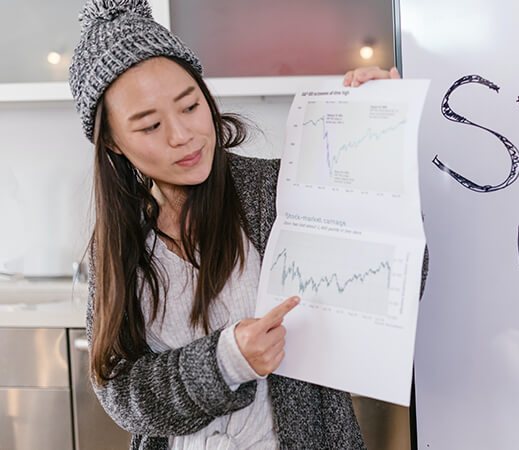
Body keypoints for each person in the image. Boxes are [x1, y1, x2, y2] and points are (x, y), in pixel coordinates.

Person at [68, 0, 406, 448]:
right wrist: (225, 361)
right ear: (111, 141)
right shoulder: (116, 244)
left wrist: (383, 149)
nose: (181, 135)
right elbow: (119, 391)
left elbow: (398, 284)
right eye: (149, 126)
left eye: (189, 107)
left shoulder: (277, 190)